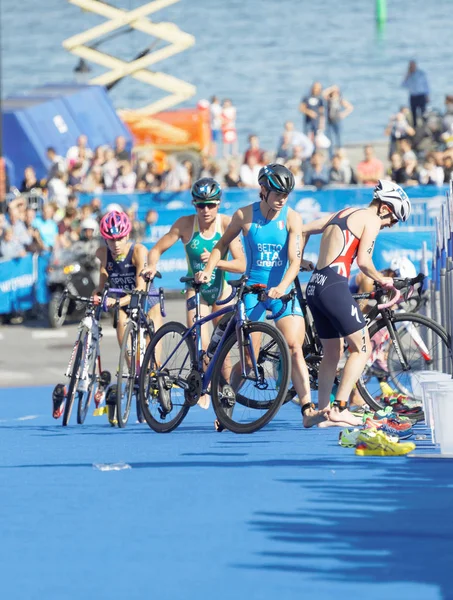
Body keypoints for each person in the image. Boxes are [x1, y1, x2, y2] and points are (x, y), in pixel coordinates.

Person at [195, 164, 325, 428]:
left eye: (285, 195)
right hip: (252, 289)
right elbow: (221, 246)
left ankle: (308, 410)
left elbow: (294, 261)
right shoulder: (243, 215)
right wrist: (209, 269)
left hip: (281, 289)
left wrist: (281, 287)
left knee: (293, 346)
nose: (281, 200)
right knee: (248, 362)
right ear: (263, 190)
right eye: (276, 193)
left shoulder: (292, 218)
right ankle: (226, 409)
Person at [300, 180, 412, 426]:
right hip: (332, 286)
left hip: (315, 285)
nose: (390, 225)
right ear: (384, 207)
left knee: (332, 353)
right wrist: (383, 279)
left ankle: (322, 414)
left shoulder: (345, 212)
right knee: (362, 349)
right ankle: (340, 407)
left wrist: (298, 261)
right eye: (392, 219)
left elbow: (302, 229)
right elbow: (364, 261)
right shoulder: (370, 219)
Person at [52, 210, 161, 422]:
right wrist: (97, 295)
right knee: (122, 329)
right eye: (111, 240)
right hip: (119, 300)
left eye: (120, 238)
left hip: (145, 298)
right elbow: (102, 285)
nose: (116, 244)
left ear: (127, 235)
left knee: (153, 345)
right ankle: (135, 380)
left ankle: (155, 381)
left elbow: (140, 289)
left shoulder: (138, 251)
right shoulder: (103, 253)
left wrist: (116, 301)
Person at [142, 178, 246, 400]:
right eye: (200, 205)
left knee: (224, 351)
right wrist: (151, 265)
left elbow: (241, 265)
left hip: (221, 288)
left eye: (210, 204)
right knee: (203, 345)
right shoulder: (185, 224)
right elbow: (156, 250)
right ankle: (200, 377)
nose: (206, 210)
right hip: (196, 290)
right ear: (194, 205)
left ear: (218, 204)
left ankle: (224, 397)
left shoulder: (227, 224)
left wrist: (216, 262)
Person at [323, 85, 354, 157]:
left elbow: (350, 107)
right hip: (329, 121)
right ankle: (331, 156)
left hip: (337, 121)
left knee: (339, 138)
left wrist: (343, 114)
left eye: (336, 92)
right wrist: (331, 88)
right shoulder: (329, 99)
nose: (335, 94)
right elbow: (323, 94)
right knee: (329, 139)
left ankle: (340, 154)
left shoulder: (340, 100)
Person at [402, 60, 430, 128]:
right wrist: (407, 75)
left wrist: (427, 95)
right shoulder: (409, 75)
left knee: (423, 113)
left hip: (421, 95)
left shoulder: (421, 73)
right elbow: (403, 85)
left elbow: (426, 85)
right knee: (413, 114)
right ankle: (415, 129)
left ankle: (425, 128)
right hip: (413, 96)